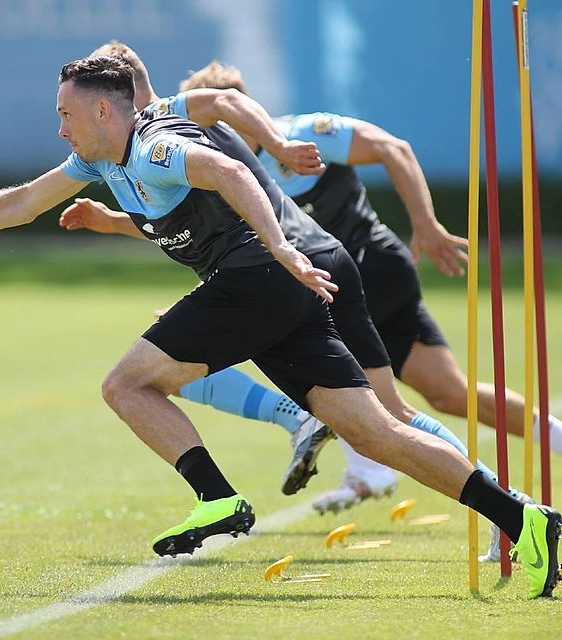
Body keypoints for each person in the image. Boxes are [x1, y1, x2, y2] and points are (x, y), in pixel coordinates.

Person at [0, 56, 562, 598]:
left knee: (127, 384)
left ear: (106, 112)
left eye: (66, 113)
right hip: (277, 284)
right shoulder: (98, 158)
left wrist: (283, 246)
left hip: (260, 276)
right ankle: (520, 515)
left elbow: (227, 168)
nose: (59, 127)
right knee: (376, 430)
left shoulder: (152, 145)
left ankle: (216, 498)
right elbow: (21, 202)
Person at [59, 42, 534, 563]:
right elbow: (184, 215)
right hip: (298, 268)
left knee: (392, 417)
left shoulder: (172, 119)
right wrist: (111, 221)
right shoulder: (141, 144)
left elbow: (227, 114)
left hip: (307, 266)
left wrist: (281, 145)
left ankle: (505, 505)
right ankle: (502, 508)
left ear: (113, 92)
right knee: (383, 422)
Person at [167, 60, 562, 518]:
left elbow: (393, 148)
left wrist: (425, 225)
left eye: (205, 124)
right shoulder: (215, 170)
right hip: (329, 282)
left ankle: (498, 506)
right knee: (446, 393)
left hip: (367, 267)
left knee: (376, 406)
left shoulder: (307, 133)